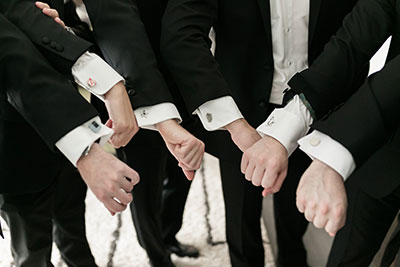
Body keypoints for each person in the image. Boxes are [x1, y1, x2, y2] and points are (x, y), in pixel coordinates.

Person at [160, 0, 366, 266]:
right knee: (241, 212)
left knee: (295, 210)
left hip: (315, 105)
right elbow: (181, 33)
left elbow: (357, 37)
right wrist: (231, 121)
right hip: (238, 108)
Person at [241, 0, 400, 265]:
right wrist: (287, 125)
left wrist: (333, 152)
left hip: (366, 128)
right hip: (382, 145)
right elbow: (356, 36)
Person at [0, 13, 140, 266]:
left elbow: (82, 31)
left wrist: (61, 32)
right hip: (14, 143)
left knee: (73, 219)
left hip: (71, 122)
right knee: (32, 250)